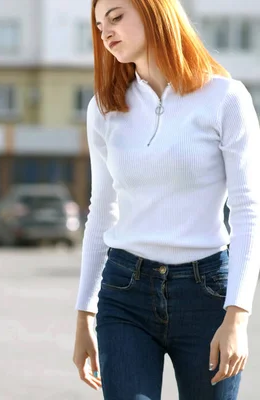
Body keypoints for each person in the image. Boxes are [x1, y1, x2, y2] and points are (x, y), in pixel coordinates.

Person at [72, 0, 260, 399]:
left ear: (154, 12)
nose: (105, 31)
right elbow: (101, 211)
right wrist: (84, 313)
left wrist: (237, 317)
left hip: (207, 294)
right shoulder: (104, 109)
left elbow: (248, 211)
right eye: (99, 24)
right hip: (125, 294)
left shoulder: (226, 98)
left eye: (117, 16)